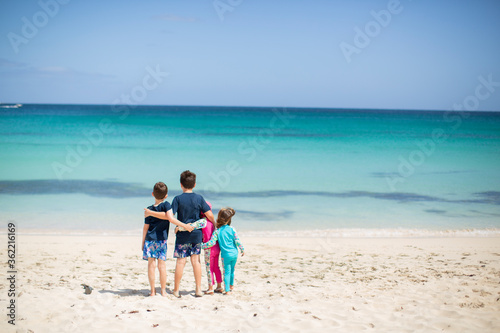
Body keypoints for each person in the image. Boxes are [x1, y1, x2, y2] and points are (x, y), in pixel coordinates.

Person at [145, 171, 215, 298]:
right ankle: (198, 289)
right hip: (196, 234)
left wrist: (151, 213)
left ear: (181, 184)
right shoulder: (199, 198)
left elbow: (169, 216)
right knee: (196, 261)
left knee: (180, 262)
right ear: (194, 184)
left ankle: (176, 290)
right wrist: (215, 224)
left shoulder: (177, 199)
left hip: (182, 235)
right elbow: (209, 214)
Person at [142, 182, 194, 297]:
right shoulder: (166, 205)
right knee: (162, 266)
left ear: (152, 194)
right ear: (166, 196)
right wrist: (185, 226)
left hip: (150, 240)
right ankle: (163, 291)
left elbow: (145, 228)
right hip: (162, 240)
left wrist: (142, 243)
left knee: (151, 265)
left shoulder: (149, 210)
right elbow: (170, 218)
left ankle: (152, 291)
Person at [177, 201, 223, 294]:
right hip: (216, 247)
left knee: (209, 267)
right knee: (216, 267)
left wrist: (179, 228)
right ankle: (219, 286)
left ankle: (210, 288)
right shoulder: (213, 222)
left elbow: (192, 226)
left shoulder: (203, 221)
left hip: (208, 248)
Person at [202, 207, 245, 295]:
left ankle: (227, 290)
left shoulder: (217, 231)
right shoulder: (232, 229)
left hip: (225, 255)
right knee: (232, 270)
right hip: (234, 253)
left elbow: (211, 243)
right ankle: (231, 285)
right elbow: (237, 240)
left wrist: (202, 245)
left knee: (227, 272)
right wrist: (242, 249)